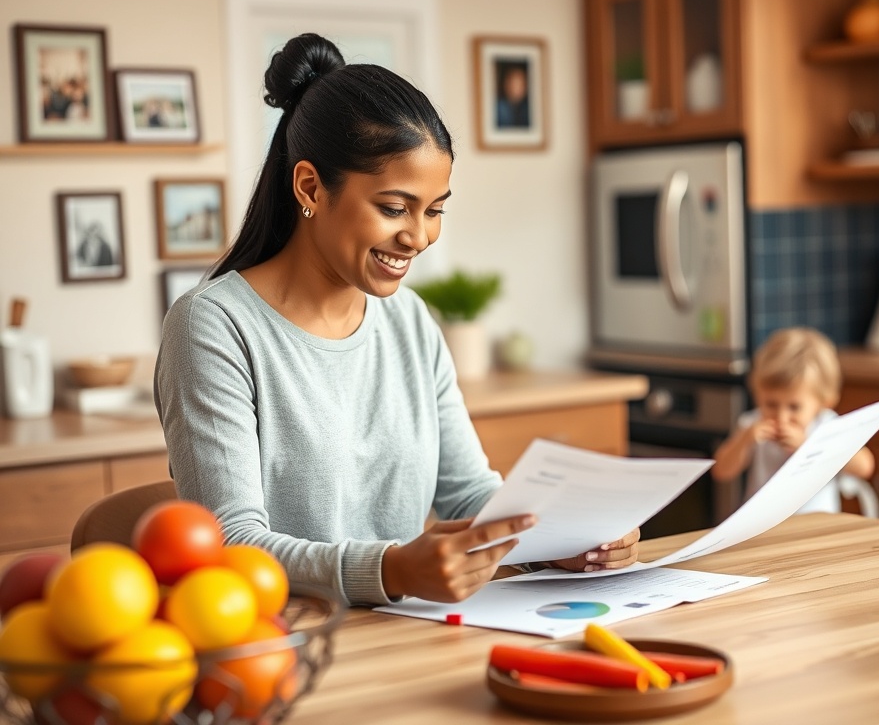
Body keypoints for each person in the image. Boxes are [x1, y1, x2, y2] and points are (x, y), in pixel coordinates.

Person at [155, 32, 639, 608]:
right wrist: (392, 571)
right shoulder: (214, 327)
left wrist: (559, 536)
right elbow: (231, 546)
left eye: (434, 211)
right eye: (393, 208)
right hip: (283, 647)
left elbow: (466, 492)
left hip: (408, 635)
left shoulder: (408, 319)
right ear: (311, 187)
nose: (418, 237)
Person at [711, 327, 874, 513]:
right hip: (761, 525)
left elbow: (864, 466)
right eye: (771, 404)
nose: (781, 417)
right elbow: (722, 471)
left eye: (794, 407)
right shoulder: (752, 423)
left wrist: (809, 447)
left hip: (815, 527)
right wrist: (745, 440)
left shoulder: (826, 426)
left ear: (824, 403)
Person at [495, 63, 529, 128]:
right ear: (505, 84)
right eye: (512, 83)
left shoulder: (528, 108)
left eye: (519, 84)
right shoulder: (499, 108)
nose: (515, 88)